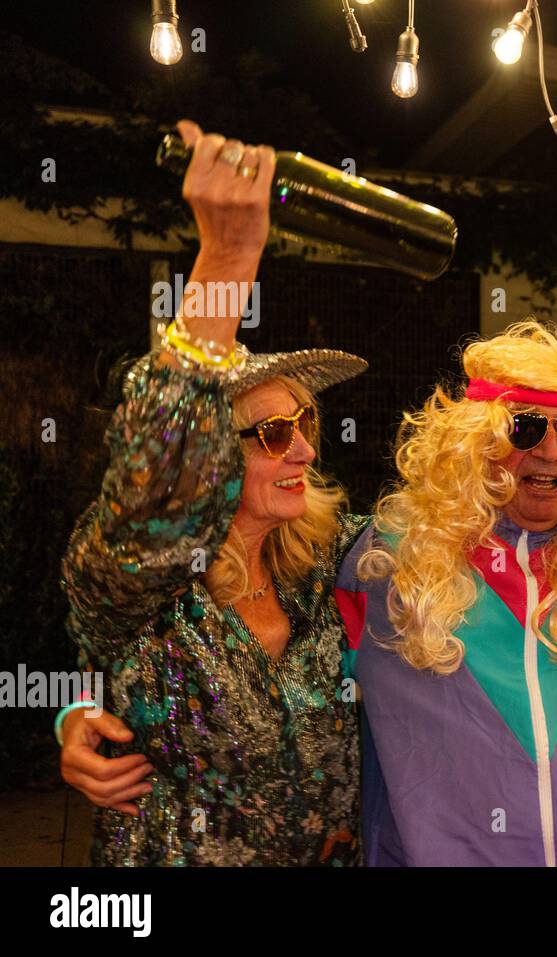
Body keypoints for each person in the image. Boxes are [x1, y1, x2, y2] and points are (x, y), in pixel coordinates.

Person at [57, 120, 368, 865]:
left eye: (304, 422)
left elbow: (466, 523)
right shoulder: (148, 588)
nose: (302, 447)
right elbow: (153, 476)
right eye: (269, 434)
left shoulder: (332, 560)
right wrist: (228, 259)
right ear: (209, 462)